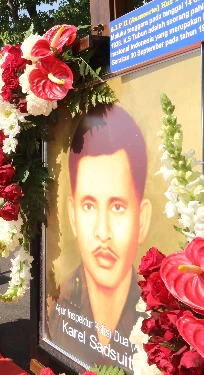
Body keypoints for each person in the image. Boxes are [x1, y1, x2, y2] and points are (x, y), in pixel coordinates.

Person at [47, 105, 151, 371]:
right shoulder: (55, 307)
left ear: (142, 219)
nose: (102, 232)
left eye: (117, 206)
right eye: (89, 206)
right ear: (72, 215)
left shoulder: (159, 318)